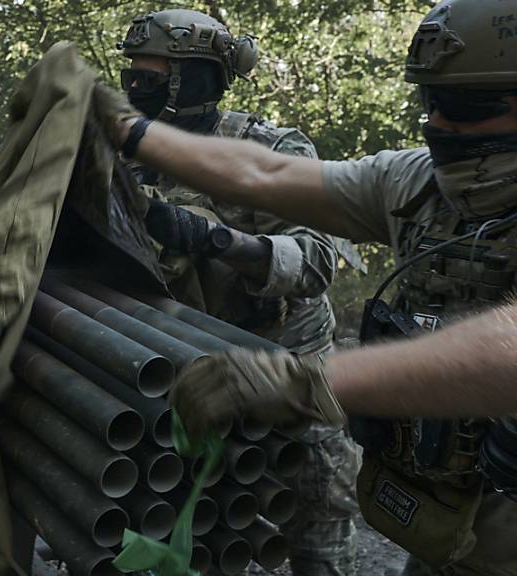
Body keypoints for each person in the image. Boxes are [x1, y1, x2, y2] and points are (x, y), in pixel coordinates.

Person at [93, 0, 517, 573]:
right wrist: (128, 130)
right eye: (430, 102)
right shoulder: (419, 183)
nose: (439, 125)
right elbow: (266, 176)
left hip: (303, 375)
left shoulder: (282, 139)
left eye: (466, 107)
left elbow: (506, 351)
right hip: (455, 512)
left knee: (317, 543)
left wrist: (301, 380)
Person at [118, 10, 358, 576]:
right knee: (187, 544)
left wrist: (217, 239)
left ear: (193, 80)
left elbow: (318, 261)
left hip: (289, 378)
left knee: (317, 549)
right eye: (130, 78)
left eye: (149, 81)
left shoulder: (268, 151)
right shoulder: (125, 157)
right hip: (188, 379)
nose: (133, 91)